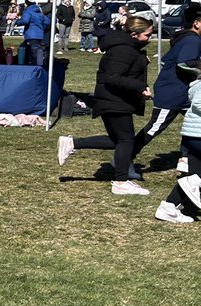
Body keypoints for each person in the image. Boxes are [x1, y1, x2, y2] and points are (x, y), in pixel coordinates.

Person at [57, 15, 155, 196]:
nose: (149, 38)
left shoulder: (126, 48)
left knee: (119, 140)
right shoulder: (124, 50)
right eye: (147, 35)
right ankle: (120, 182)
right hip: (114, 100)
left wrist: (141, 61)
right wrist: (140, 87)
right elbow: (112, 77)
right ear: (134, 34)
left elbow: (123, 69)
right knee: (126, 140)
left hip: (113, 99)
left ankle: (71, 143)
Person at [132, 1, 201, 172]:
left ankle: (186, 157)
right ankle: (125, 157)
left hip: (184, 94)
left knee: (197, 124)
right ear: (196, 23)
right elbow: (184, 64)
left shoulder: (190, 37)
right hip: (172, 93)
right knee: (155, 127)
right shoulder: (191, 41)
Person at [154, 46, 201, 223]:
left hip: (193, 138)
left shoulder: (200, 83)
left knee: (192, 177)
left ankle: (168, 207)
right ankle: (196, 182)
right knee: (194, 181)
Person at [18, 0, 50, 67]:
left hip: (31, 34)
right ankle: (40, 63)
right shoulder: (39, 12)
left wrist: (17, 22)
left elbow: (25, 21)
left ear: (27, 4)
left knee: (34, 51)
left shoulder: (28, 11)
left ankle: (35, 66)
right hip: (40, 34)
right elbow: (47, 21)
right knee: (39, 50)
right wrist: (42, 28)